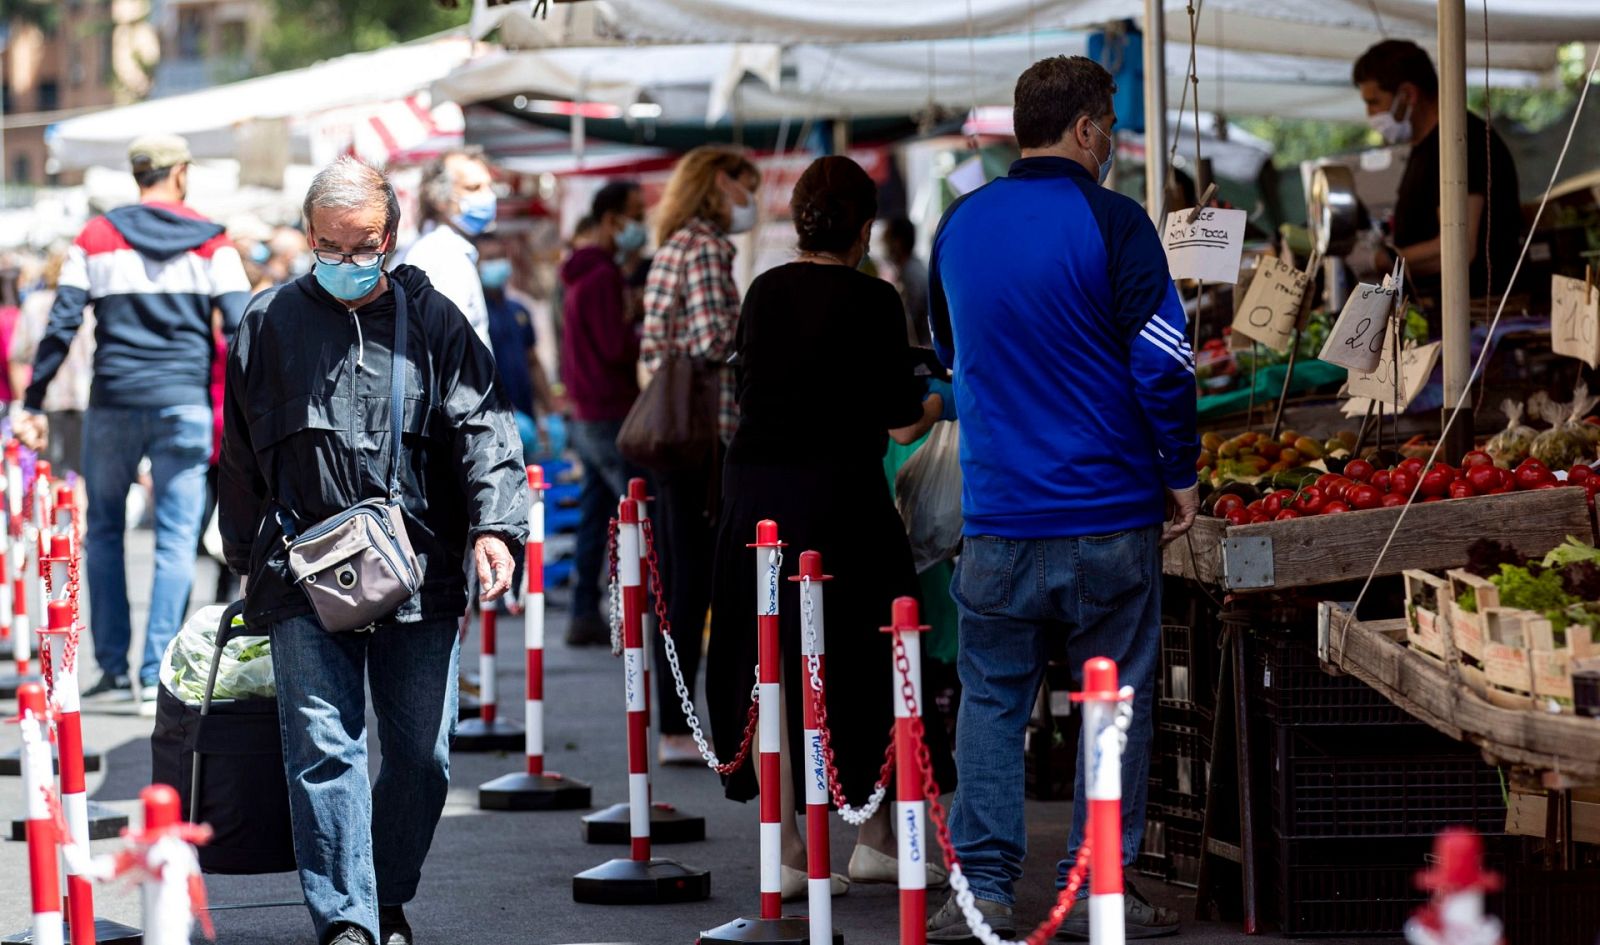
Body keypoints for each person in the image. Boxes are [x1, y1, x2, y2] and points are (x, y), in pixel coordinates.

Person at [219, 157, 528, 945]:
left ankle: (384, 891)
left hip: (420, 569)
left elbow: (485, 430)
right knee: (324, 749)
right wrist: (243, 554)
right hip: (302, 571)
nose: (348, 262)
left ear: (390, 237)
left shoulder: (436, 322)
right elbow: (241, 455)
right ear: (307, 237)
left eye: (364, 248)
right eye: (331, 246)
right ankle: (349, 918)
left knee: (423, 758)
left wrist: (497, 525)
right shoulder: (267, 321)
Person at [925, 56, 1198, 941]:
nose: (1112, 140)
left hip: (998, 517)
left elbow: (953, 358)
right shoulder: (1115, 221)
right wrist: (1181, 471)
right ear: (1086, 129)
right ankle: (1094, 890)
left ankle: (985, 890)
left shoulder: (958, 226)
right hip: (1109, 514)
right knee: (1110, 704)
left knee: (994, 705)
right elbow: (1163, 361)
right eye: (1110, 123)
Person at [707, 155, 951, 901]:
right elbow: (903, 421)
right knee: (875, 657)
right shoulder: (875, 300)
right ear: (865, 227)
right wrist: (943, 404)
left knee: (769, 662)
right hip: (841, 500)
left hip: (755, 499)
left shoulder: (764, 291)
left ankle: (783, 847)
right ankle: (876, 838)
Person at [16, 133, 251, 705]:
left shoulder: (95, 238)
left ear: (138, 174)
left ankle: (113, 667)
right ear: (180, 173)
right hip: (185, 404)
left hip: (114, 401)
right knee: (175, 539)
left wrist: (32, 399)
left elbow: (63, 322)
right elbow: (243, 325)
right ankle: (156, 673)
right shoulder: (212, 242)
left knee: (102, 532)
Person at [640, 145, 760, 763]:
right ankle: (680, 724)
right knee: (694, 586)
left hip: (670, 434)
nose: (753, 199)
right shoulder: (708, 248)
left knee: (679, 580)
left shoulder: (673, 243)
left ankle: (672, 721)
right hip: (703, 434)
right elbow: (716, 338)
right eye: (747, 185)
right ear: (720, 183)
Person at [1352, 39, 1522, 323]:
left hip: (1476, 317)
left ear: (1408, 94)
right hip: (1441, 310)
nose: (1370, 115)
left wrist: (1383, 261)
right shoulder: (1424, 148)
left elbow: (1458, 247)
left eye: (1374, 102)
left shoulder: (1460, 141)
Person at [562, 181, 647, 646]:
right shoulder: (603, 277)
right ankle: (645, 611)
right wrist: (643, 332)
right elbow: (615, 348)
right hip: (612, 414)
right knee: (640, 513)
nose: (641, 225)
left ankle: (582, 614)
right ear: (612, 220)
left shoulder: (581, 275)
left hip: (587, 416)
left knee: (596, 518)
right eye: (635, 214)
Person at [399, 147, 499, 349]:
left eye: (489, 186)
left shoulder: (444, 250)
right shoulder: (444, 258)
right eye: (473, 188)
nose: (487, 196)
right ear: (440, 199)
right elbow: (450, 349)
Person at [8, 246, 94, 475]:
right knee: (83, 473)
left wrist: (25, 402)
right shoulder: (91, 306)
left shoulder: (34, 304)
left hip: (47, 398)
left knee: (51, 472)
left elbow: (18, 357)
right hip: (84, 397)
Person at [477, 232, 554, 460]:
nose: (498, 263)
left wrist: (550, 412)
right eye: (490, 258)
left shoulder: (518, 310)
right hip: (495, 425)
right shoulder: (476, 315)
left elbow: (532, 361)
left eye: (501, 256)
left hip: (527, 420)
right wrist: (507, 412)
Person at [881, 216, 932, 348]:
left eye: (887, 238)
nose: (883, 243)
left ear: (898, 242)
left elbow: (909, 322)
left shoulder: (911, 275)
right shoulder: (910, 269)